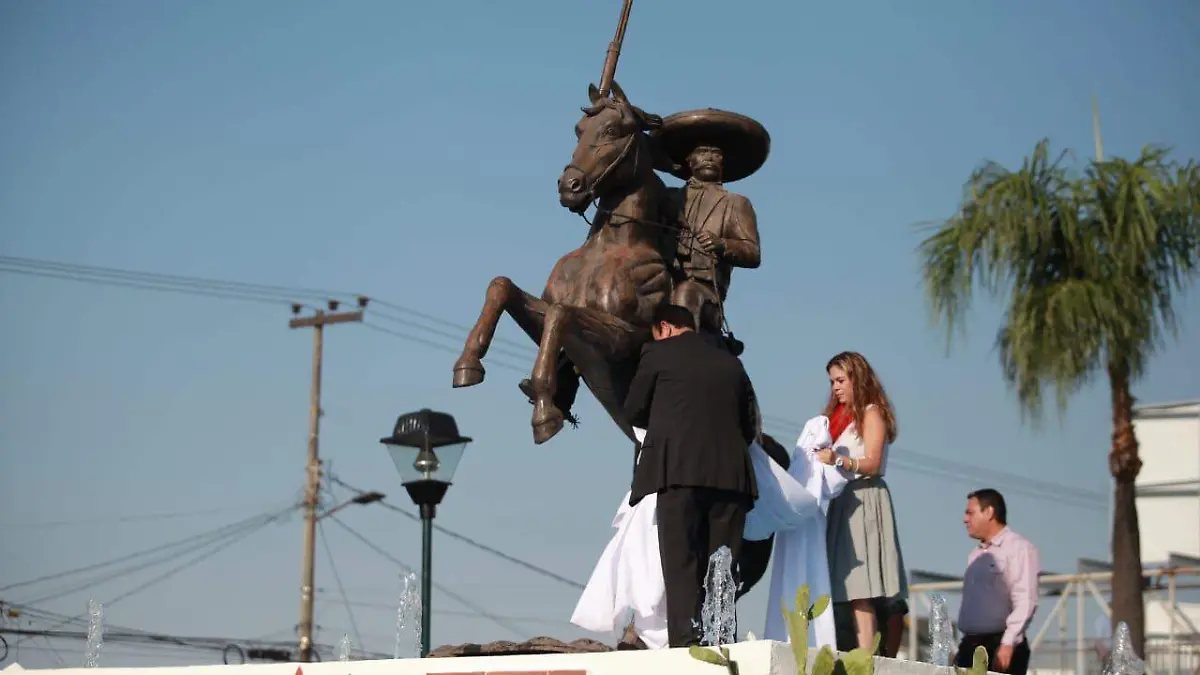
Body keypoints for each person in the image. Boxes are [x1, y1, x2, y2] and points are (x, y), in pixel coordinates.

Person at [622, 303, 758, 647]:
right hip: (731, 479)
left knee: (682, 564)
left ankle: (686, 646)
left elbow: (634, 409)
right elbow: (748, 423)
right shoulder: (731, 362)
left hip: (678, 471)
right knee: (722, 568)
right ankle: (721, 642)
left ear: (664, 328)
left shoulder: (658, 353)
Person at [813, 351, 908, 653]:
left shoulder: (871, 412)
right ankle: (857, 652)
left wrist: (838, 460)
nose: (835, 388)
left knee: (862, 587)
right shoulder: (839, 420)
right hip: (843, 501)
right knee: (848, 587)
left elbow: (874, 463)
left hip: (865, 499)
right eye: (832, 382)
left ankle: (867, 657)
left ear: (857, 377)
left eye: (841, 380)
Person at [654, 109, 767, 349]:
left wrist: (722, 244)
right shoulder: (668, 198)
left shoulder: (736, 203)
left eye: (715, 154)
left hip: (704, 292)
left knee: (686, 294)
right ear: (689, 160)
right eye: (702, 152)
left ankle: (682, 361)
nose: (709, 157)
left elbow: (752, 253)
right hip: (661, 282)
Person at [957, 489, 1039, 675]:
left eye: (970, 513)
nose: (965, 519)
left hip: (999, 645)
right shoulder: (975, 555)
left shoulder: (1018, 548)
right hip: (970, 645)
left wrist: (1008, 643)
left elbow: (1026, 600)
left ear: (989, 512)